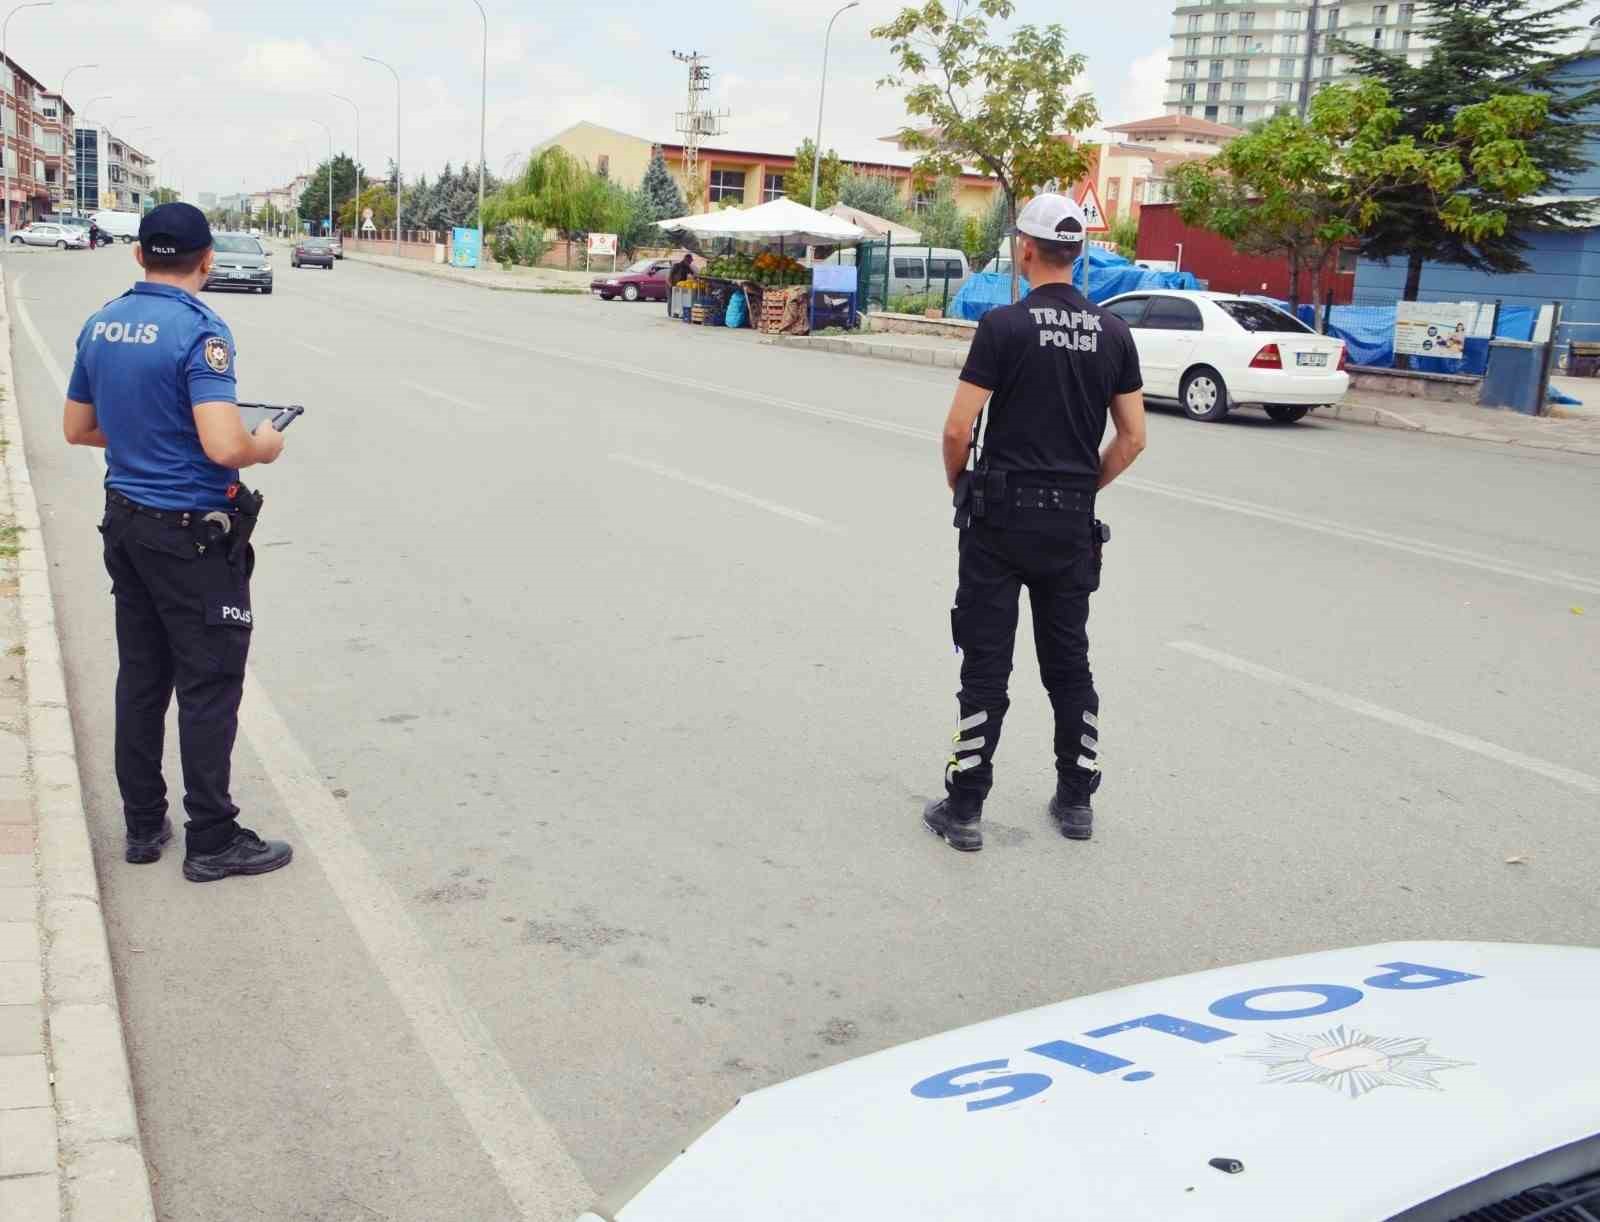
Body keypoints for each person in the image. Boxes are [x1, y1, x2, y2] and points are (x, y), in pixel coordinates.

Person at [62, 202, 295, 883]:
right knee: (209, 683)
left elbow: (78, 428)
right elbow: (225, 443)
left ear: (139, 255)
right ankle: (214, 839)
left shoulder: (101, 323)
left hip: (127, 522)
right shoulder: (201, 332)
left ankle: (142, 826)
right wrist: (266, 445)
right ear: (207, 261)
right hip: (191, 535)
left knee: (142, 676)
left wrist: (150, 436)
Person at [922, 194, 1147, 853]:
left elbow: (959, 427)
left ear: (1025, 249)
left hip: (998, 521)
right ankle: (1076, 802)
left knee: (986, 667)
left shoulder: (1004, 326)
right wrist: (1085, 488)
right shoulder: (1114, 333)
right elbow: (1133, 438)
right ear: (1077, 255)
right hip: (1070, 526)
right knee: (1069, 664)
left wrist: (961, 485)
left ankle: (964, 810)